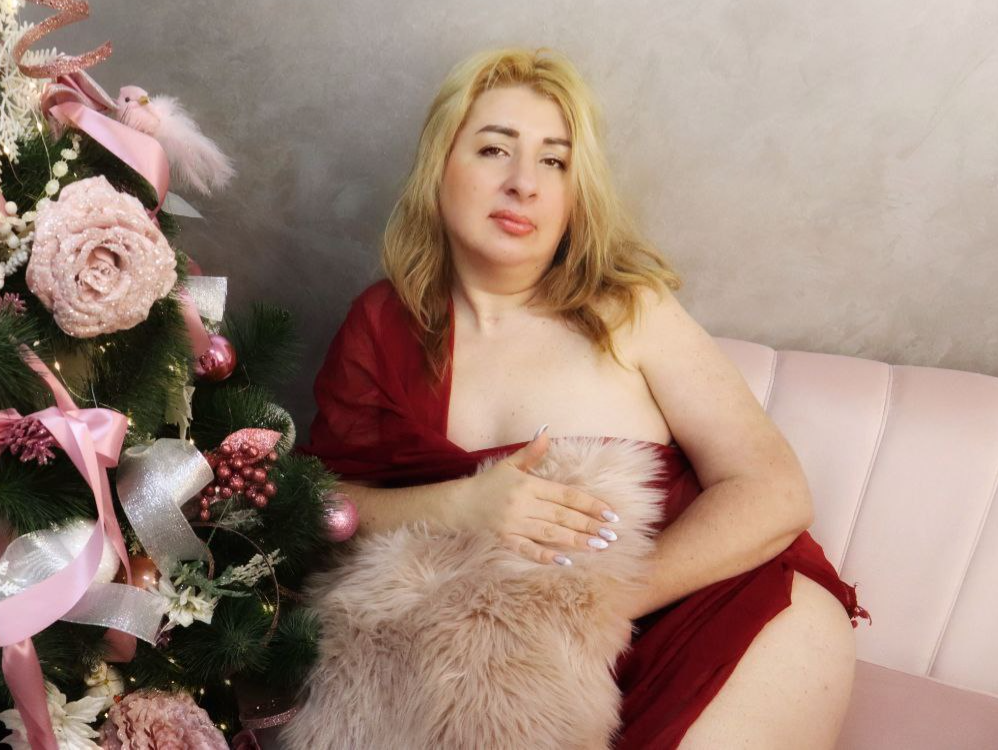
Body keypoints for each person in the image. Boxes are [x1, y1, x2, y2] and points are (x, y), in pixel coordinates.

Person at [304, 47, 869, 750]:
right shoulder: (381, 324)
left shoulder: (629, 310)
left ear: (577, 194)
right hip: (504, 664)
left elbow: (774, 490)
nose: (523, 184)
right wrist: (460, 505)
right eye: (494, 149)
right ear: (439, 166)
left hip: (710, 615)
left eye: (555, 161)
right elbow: (320, 507)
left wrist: (605, 604)